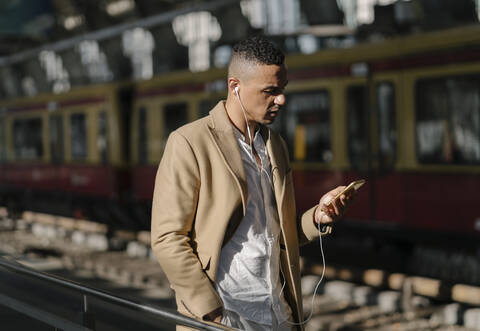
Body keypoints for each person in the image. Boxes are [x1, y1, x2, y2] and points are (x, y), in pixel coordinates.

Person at [151, 36, 355, 331]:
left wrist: (317, 218)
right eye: (270, 91)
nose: (281, 100)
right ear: (235, 86)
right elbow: (167, 238)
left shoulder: (275, 145)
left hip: (278, 312)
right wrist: (211, 312)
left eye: (282, 90)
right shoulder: (189, 142)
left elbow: (272, 234)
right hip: (227, 315)